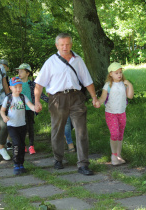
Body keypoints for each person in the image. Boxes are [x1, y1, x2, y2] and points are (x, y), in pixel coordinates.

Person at [34, 33, 100, 176]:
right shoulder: (51, 62)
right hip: (57, 99)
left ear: (71, 44)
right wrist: (37, 101)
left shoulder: (78, 60)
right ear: (57, 45)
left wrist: (94, 97)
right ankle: (58, 159)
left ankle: (83, 164)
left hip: (76, 97)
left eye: (68, 44)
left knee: (81, 130)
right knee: (58, 130)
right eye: (62, 44)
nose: (65, 47)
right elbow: (39, 84)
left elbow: (87, 80)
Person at [96, 62, 134, 165]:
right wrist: (98, 102)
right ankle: (113, 155)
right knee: (115, 133)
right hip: (111, 113)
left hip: (122, 113)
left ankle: (119, 155)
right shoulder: (108, 85)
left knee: (120, 134)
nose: (119, 75)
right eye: (116, 73)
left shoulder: (124, 84)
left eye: (120, 72)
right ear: (110, 74)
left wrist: (129, 84)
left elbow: (130, 96)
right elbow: (103, 97)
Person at [0, 76, 36, 175]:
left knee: (22, 145)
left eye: (20, 86)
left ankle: (21, 164)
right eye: (15, 87)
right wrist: (4, 117)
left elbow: (31, 105)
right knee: (17, 145)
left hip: (22, 125)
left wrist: (35, 108)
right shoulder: (8, 98)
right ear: (10, 87)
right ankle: (16, 164)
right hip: (12, 126)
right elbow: (2, 110)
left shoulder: (23, 97)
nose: (18, 89)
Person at [16, 63, 49, 154]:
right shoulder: (17, 84)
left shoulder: (32, 84)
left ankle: (31, 146)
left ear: (28, 73)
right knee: (22, 128)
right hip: (19, 109)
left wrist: (50, 102)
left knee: (30, 127)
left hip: (30, 109)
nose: (19, 73)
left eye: (21, 71)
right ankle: (23, 146)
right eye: (18, 71)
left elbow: (41, 95)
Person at [0, 59, 12, 150]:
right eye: (0, 65)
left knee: (7, 121)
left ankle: (8, 140)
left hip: (7, 102)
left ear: (7, 68)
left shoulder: (9, 79)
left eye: (4, 66)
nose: (1, 68)